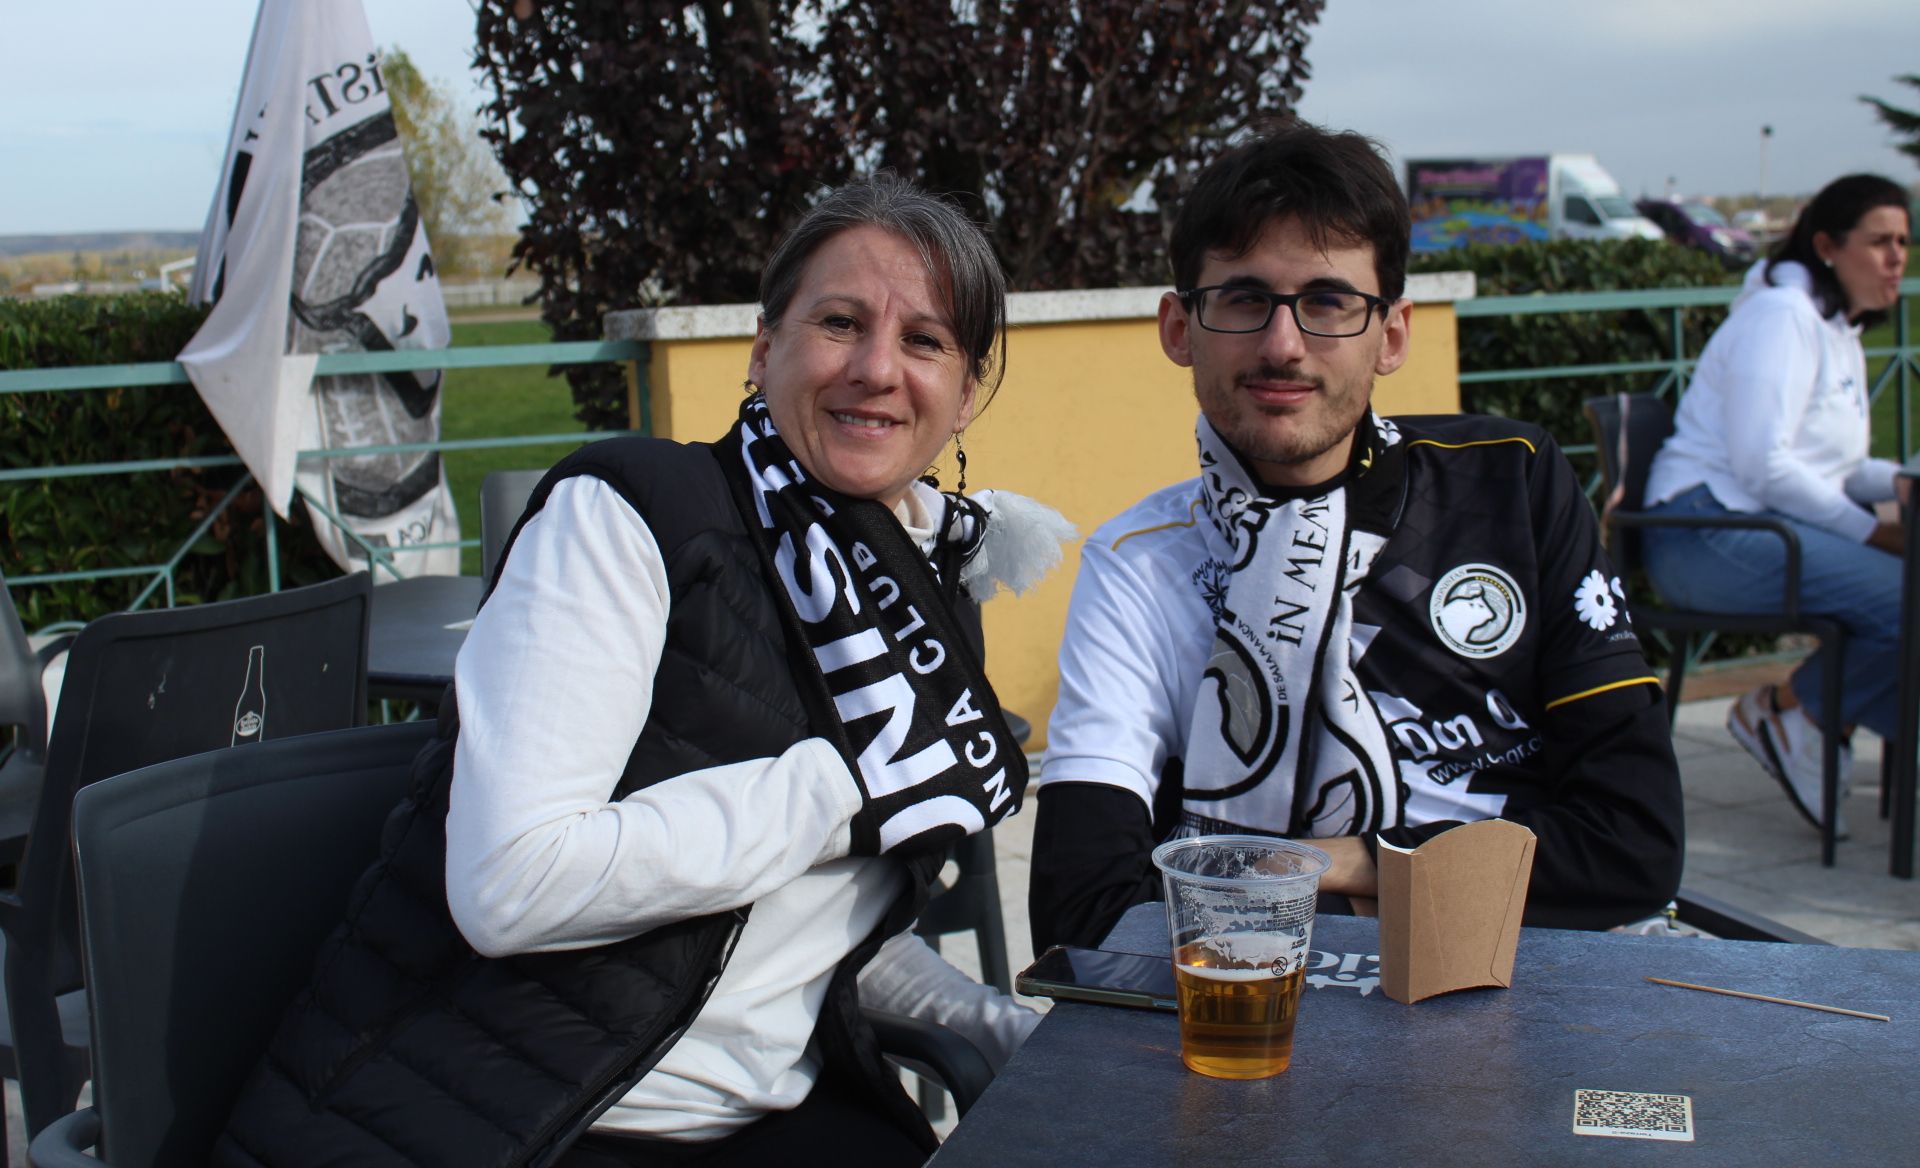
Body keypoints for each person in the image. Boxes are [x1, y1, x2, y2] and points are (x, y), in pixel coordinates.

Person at [215, 175, 1072, 1168]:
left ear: (964, 395)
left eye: (925, 340)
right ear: (765, 349)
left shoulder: (911, 592)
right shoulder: (631, 513)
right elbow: (511, 882)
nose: (877, 367)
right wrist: (857, 783)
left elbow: (811, 925)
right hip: (513, 1113)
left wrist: (996, 1023)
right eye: (840, 321)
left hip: (765, 1113)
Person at [1028, 122, 1684, 955]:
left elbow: (1634, 847)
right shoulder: (1139, 566)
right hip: (1282, 1029)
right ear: (1178, 327)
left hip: (1544, 987)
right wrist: (1454, 883)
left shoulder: (1512, 483)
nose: (1283, 346)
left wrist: (1334, 864)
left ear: (1395, 334)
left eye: (1329, 302)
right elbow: (1081, 916)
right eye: (1243, 298)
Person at [1640, 175, 1912, 837]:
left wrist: (1901, 479)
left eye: (1904, 241)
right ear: (1826, 245)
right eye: (1878, 242)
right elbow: (1764, 465)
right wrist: (1874, 536)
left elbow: (1834, 467)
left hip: (1747, 524)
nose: (1897, 258)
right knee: (1908, 599)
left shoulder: (1830, 325)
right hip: (1701, 532)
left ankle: (1798, 714)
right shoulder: (1781, 317)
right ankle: (1796, 715)